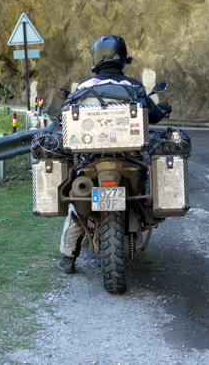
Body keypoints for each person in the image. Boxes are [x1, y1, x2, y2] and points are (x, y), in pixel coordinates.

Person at [56, 35, 171, 274]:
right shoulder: (133, 86)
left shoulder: (84, 87)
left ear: (97, 58)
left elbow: (64, 114)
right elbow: (155, 114)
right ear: (122, 58)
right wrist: (163, 109)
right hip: (127, 159)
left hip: (92, 159)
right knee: (148, 171)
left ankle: (68, 258)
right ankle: (148, 211)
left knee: (78, 210)